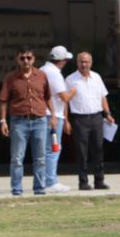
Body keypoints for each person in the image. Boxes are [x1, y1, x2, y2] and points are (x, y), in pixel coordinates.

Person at [0, 44, 57, 196]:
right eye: (22, 58)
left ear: (34, 59)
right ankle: (17, 189)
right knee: (17, 158)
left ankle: (39, 188)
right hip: (19, 122)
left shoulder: (41, 76)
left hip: (40, 120)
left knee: (40, 158)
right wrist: (3, 121)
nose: (26, 61)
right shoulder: (10, 78)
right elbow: (3, 100)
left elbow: (48, 97)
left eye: (28, 57)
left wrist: (53, 116)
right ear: (17, 59)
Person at [65, 51, 115, 190]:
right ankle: (83, 182)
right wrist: (66, 120)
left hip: (97, 117)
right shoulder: (70, 79)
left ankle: (99, 180)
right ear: (77, 63)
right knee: (82, 152)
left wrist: (108, 114)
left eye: (86, 62)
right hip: (80, 119)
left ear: (91, 63)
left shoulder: (97, 77)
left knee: (98, 149)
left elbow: (103, 97)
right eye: (81, 61)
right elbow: (65, 101)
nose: (84, 64)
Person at [40, 45, 78, 193]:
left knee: (46, 149)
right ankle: (51, 182)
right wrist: (73, 91)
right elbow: (64, 97)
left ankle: (45, 180)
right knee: (53, 148)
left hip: (46, 114)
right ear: (62, 60)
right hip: (53, 116)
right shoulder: (54, 74)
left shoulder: (43, 70)